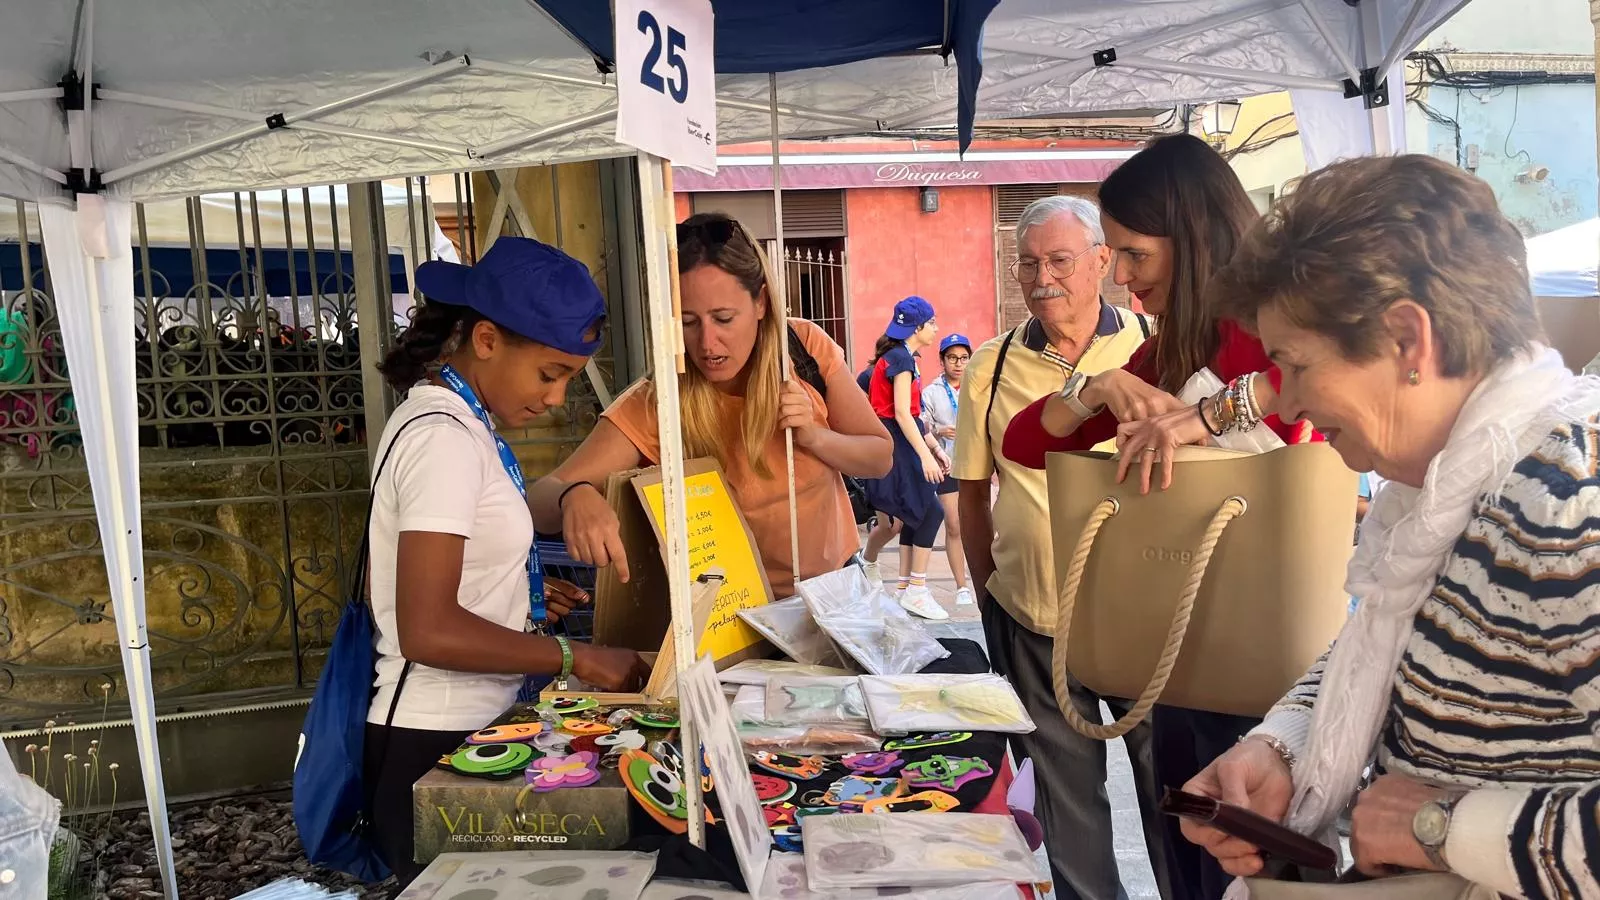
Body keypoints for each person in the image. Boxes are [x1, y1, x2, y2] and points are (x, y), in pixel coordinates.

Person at [1180, 155, 1600, 899]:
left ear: (1408, 340)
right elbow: (1401, 644)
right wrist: (1282, 747)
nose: (1285, 403)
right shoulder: (1446, 491)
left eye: (1296, 364)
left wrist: (1445, 826)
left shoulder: (1566, 507)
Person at [999, 135, 1317, 900]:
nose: (1128, 279)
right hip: (1178, 652)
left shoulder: (1279, 324)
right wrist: (1100, 388)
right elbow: (1024, 442)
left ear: (1194, 235)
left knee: (1253, 865)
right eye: (1116, 256)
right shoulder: (1169, 348)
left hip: (1269, 660)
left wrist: (1207, 416)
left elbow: (1312, 374)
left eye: (1136, 255)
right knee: (1189, 854)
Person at [362, 237, 652, 886]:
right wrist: (576, 658)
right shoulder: (443, 439)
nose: (554, 400)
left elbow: (450, 585)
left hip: (470, 726)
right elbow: (428, 629)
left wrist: (514, 597)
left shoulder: (459, 423)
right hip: (432, 737)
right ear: (487, 340)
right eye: (550, 375)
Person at [953, 194, 1171, 900]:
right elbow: (973, 494)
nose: (1041, 277)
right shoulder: (991, 364)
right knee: (1067, 812)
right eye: (1027, 262)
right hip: (1035, 622)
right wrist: (992, 606)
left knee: (1173, 804)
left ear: (1103, 263)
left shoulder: (1154, 344)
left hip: (1146, 629)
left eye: (1059, 259)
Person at [528, 213, 892, 599]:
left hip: (836, 592)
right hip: (733, 614)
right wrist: (574, 496)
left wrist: (816, 438)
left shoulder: (804, 350)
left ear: (761, 303)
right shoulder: (659, 402)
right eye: (688, 322)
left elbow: (880, 456)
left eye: (723, 318)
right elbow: (540, 499)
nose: (707, 343)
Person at [859, 296, 951, 620]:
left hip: (899, 439)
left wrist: (935, 449)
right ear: (918, 327)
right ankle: (917, 589)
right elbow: (900, 412)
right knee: (931, 511)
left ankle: (904, 588)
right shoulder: (900, 359)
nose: (937, 328)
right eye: (933, 323)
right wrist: (926, 456)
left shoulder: (901, 356)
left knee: (914, 515)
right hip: (896, 444)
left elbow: (912, 414)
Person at [922, 332, 974, 606]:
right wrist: (940, 429)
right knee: (953, 525)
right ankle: (961, 585)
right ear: (942, 360)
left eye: (964, 358)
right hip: (947, 466)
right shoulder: (931, 392)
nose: (958, 363)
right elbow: (921, 425)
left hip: (976, 464)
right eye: (952, 358)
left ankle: (985, 579)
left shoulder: (978, 386)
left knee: (982, 525)